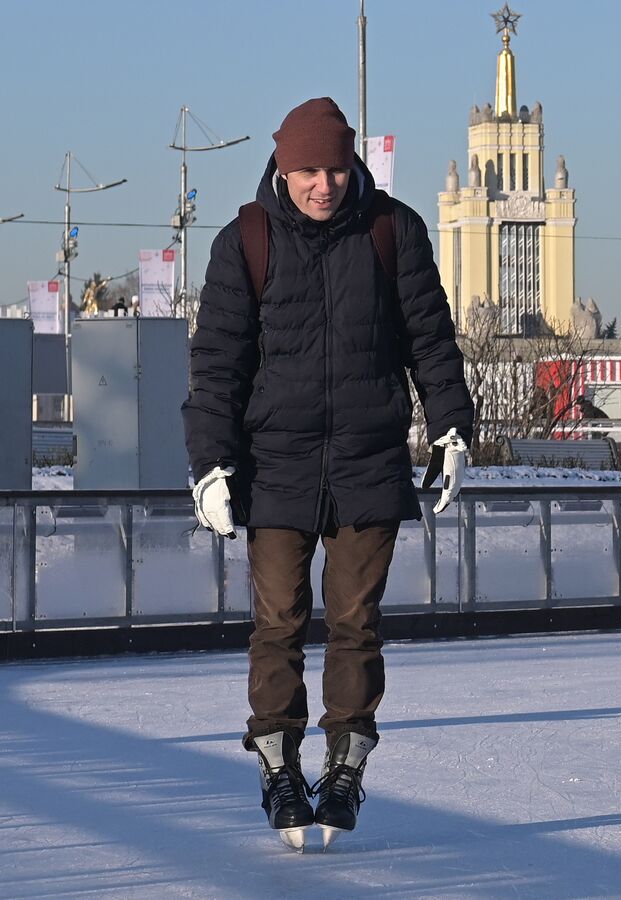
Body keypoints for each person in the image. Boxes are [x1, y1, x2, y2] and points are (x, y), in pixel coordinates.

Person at [182, 98, 472, 851]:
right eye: (308, 170)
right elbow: (218, 364)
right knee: (276, 622)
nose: (324, 185)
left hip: (369, 462)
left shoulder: (392, 229)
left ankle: (345, 768)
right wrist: (209, 463)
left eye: (336, 167)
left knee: (356, 624)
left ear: (353, 165)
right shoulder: (244, 241)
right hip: (275, 463)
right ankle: (279, 766)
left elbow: (430, 340)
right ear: (284, 167)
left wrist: (450, 427)